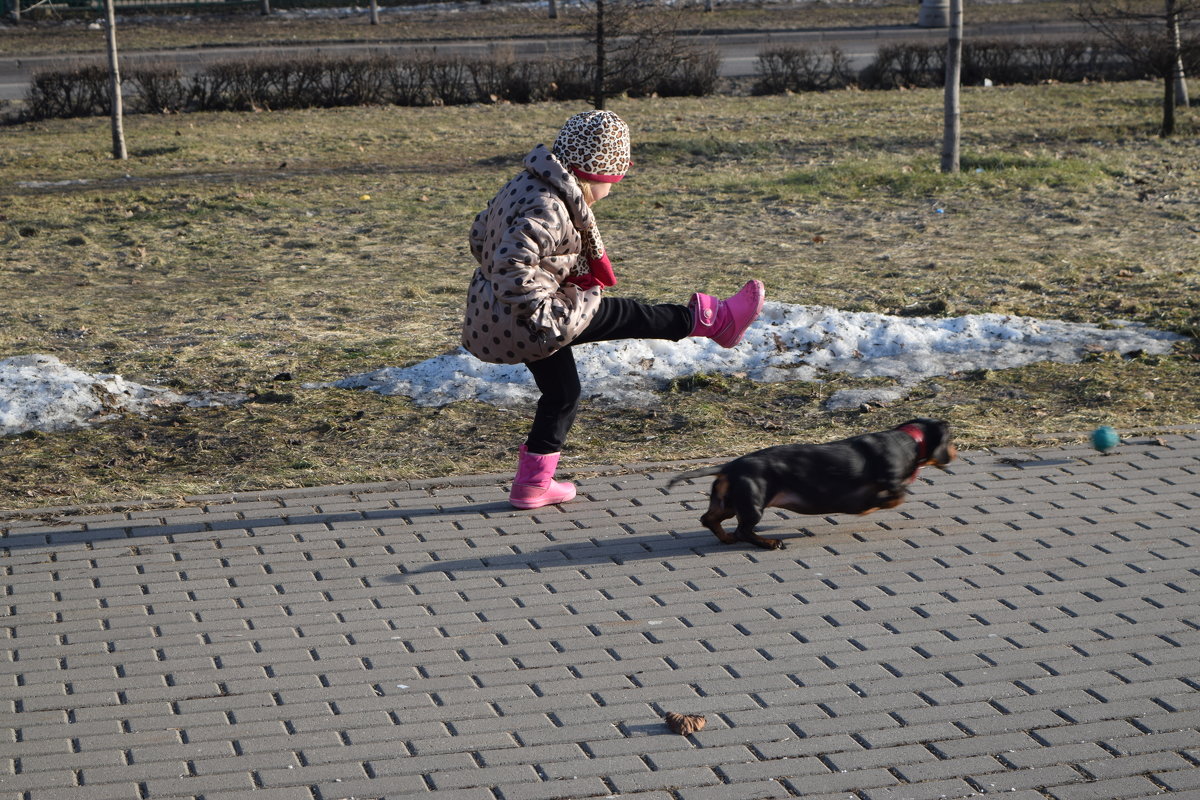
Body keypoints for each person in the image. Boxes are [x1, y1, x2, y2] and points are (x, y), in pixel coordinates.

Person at [463, 110, 764, 509]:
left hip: (498, 314)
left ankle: (532, 485)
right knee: (630, 315)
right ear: (598, 173)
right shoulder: (550, 207)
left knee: (563, 392)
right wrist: (541, 309)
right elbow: (510, 264)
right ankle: (716, 320)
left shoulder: (526, 184)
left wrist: (547, 281)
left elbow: (481, 233)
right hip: (535, 318)